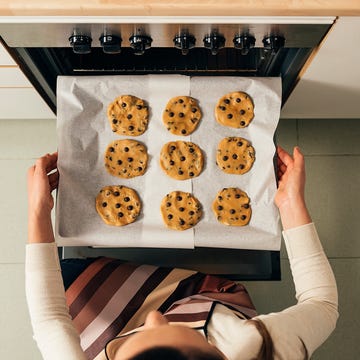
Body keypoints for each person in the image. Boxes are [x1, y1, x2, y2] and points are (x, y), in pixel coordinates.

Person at [26, 146, 338, 360]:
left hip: (109, 328)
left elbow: (49, 319)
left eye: (136, 343)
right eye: (172, 330)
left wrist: (39, 210)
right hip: (208, 300)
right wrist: (290, 202)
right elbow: (323, 304)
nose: (153, 317)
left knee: (69, 279)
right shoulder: (257, 346)